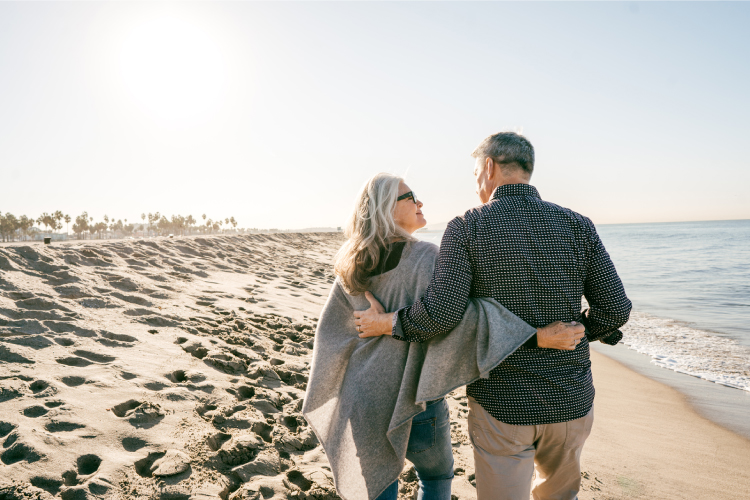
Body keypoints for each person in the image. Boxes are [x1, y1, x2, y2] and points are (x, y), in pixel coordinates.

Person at [355, 133, 632, 500]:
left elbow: (441, 315)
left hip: (503, 402)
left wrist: (391, 323)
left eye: (474, 175)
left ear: (489, 168)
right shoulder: (578, 224)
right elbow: (616, 309)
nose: (475, 187)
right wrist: (580, 330)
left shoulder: (468, 227)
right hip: (571, 399)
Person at [303, 173, 585, 500]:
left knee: (378, 486)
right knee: (436, 476)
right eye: (410, 197)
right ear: (385, 210)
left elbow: (332, 335)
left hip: (363, 399)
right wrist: (536, 335)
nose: (420, 202)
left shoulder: (350, 264)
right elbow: (463, 319)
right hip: (417, 399)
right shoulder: (427, 258)